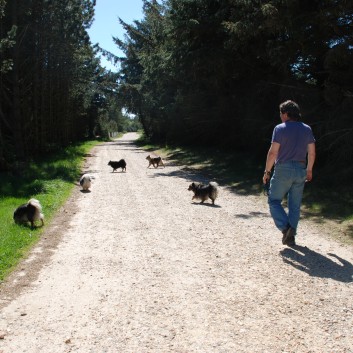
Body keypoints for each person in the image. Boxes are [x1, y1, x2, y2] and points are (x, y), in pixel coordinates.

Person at [263, 100, 316, 246]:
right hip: (301, 169)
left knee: (274, 201)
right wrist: (309, 170)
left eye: (281, 113)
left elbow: (273, 152)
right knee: (294, 205)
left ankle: (286, 228)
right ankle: (291, 236)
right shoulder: (307, 129)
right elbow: (311, 153)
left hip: (283, 169)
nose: (280, 116)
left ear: (286, 114)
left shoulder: (280, 128)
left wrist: (267, 172)